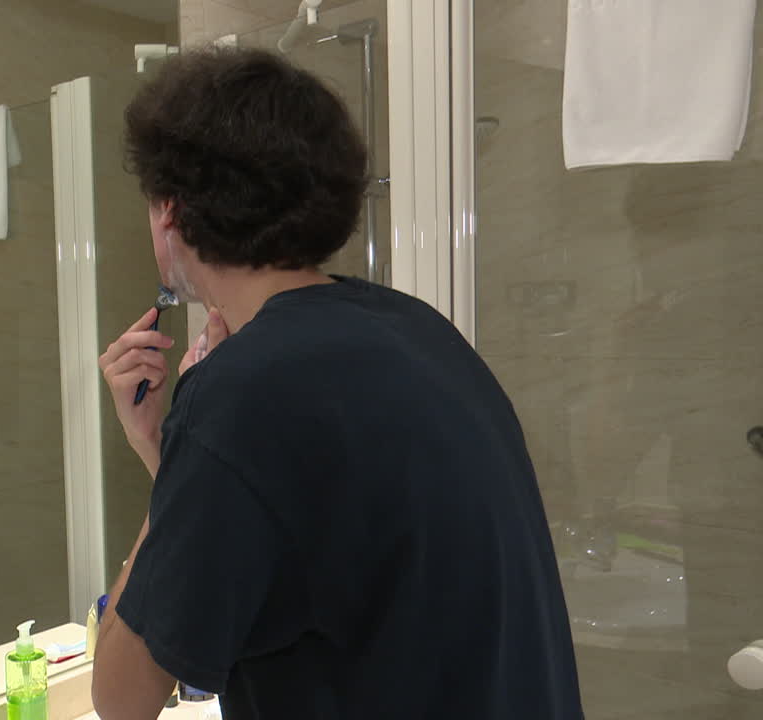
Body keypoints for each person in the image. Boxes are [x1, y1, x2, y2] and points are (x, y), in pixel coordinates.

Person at [92, 48, 584, 719]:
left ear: (169, 213)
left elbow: (121, 698)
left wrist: (184, 444)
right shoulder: (416, 331)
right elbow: (297, 543)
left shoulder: (243, 392)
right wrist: (174, 449)